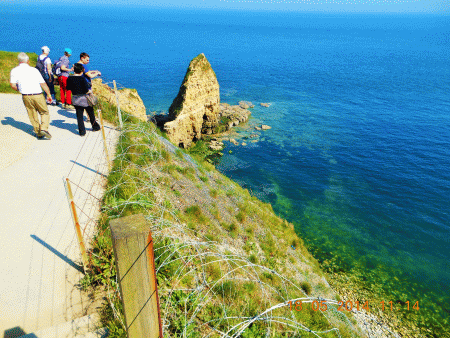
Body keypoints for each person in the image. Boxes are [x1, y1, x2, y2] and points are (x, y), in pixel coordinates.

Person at [10, 52, 53, 139]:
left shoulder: (14, 70)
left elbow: (13, 85)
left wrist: (19, 89)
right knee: (44, 112)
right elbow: (43, 84)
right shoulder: (34, 70)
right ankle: (44, 128)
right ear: (28, 61)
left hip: (26, 95)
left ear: (19, 61)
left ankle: (38, 132)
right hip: (38, 94)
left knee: (32, 114)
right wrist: (48, 94)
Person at [66, 63, 101, 136]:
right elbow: (86, 90)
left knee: (79, 116)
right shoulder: (82, 78)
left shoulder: (70, 78)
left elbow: (68, 88)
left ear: (74, 70)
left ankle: (82, 132)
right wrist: (90, 91)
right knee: (91, 113)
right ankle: (95, 127)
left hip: (75, 99)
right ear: (82, 71)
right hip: (85, 99)